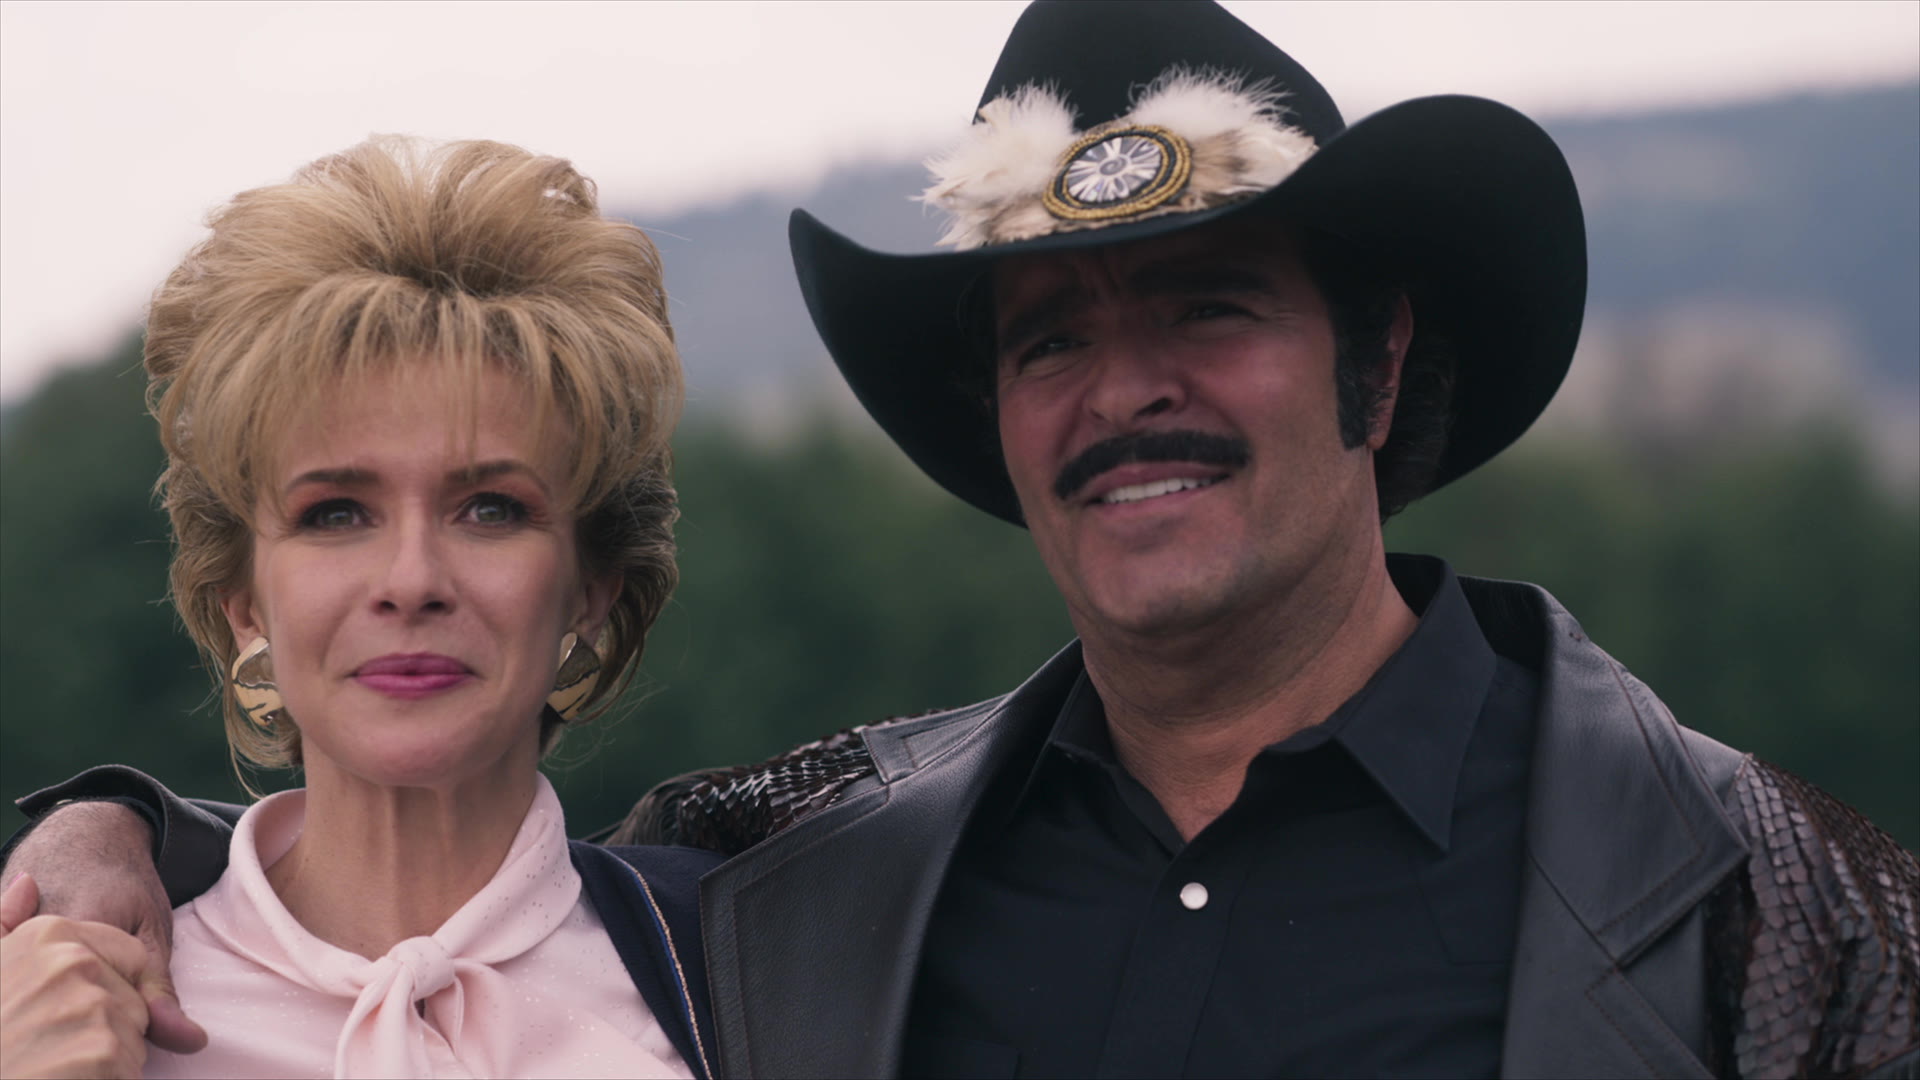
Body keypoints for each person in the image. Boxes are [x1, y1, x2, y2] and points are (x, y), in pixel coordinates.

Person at [6, 3, 1918, 1078]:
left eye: (1211, 306)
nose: (1127, 390)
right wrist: (102, 847)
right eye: (1052, 337)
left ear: (1382, 353)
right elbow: (398, 832)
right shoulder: (794, 879)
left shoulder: (1757, 893)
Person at [0, 137, 718, 1079]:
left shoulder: (759, 983)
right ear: (244, 602)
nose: (411, 579)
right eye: (335, 513)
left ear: (590, 591)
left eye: (490, 509)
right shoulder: (68, 1012)